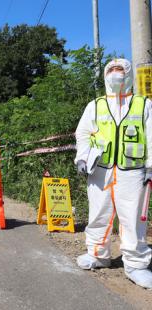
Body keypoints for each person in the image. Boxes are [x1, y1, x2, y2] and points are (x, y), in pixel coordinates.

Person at [75, 58, 152, 289]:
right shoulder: (95, 105)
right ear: (105, 75)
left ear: (128, 75)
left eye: (120, 69)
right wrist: (81, 158)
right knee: (99, 213)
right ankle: (98, 255)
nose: (115, 74)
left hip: (133, 171)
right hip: (100, 170)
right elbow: (83, 134)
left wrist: (150, 166)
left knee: (133, 218)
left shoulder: (143, 104)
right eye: (111, 70)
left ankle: (137, 265)